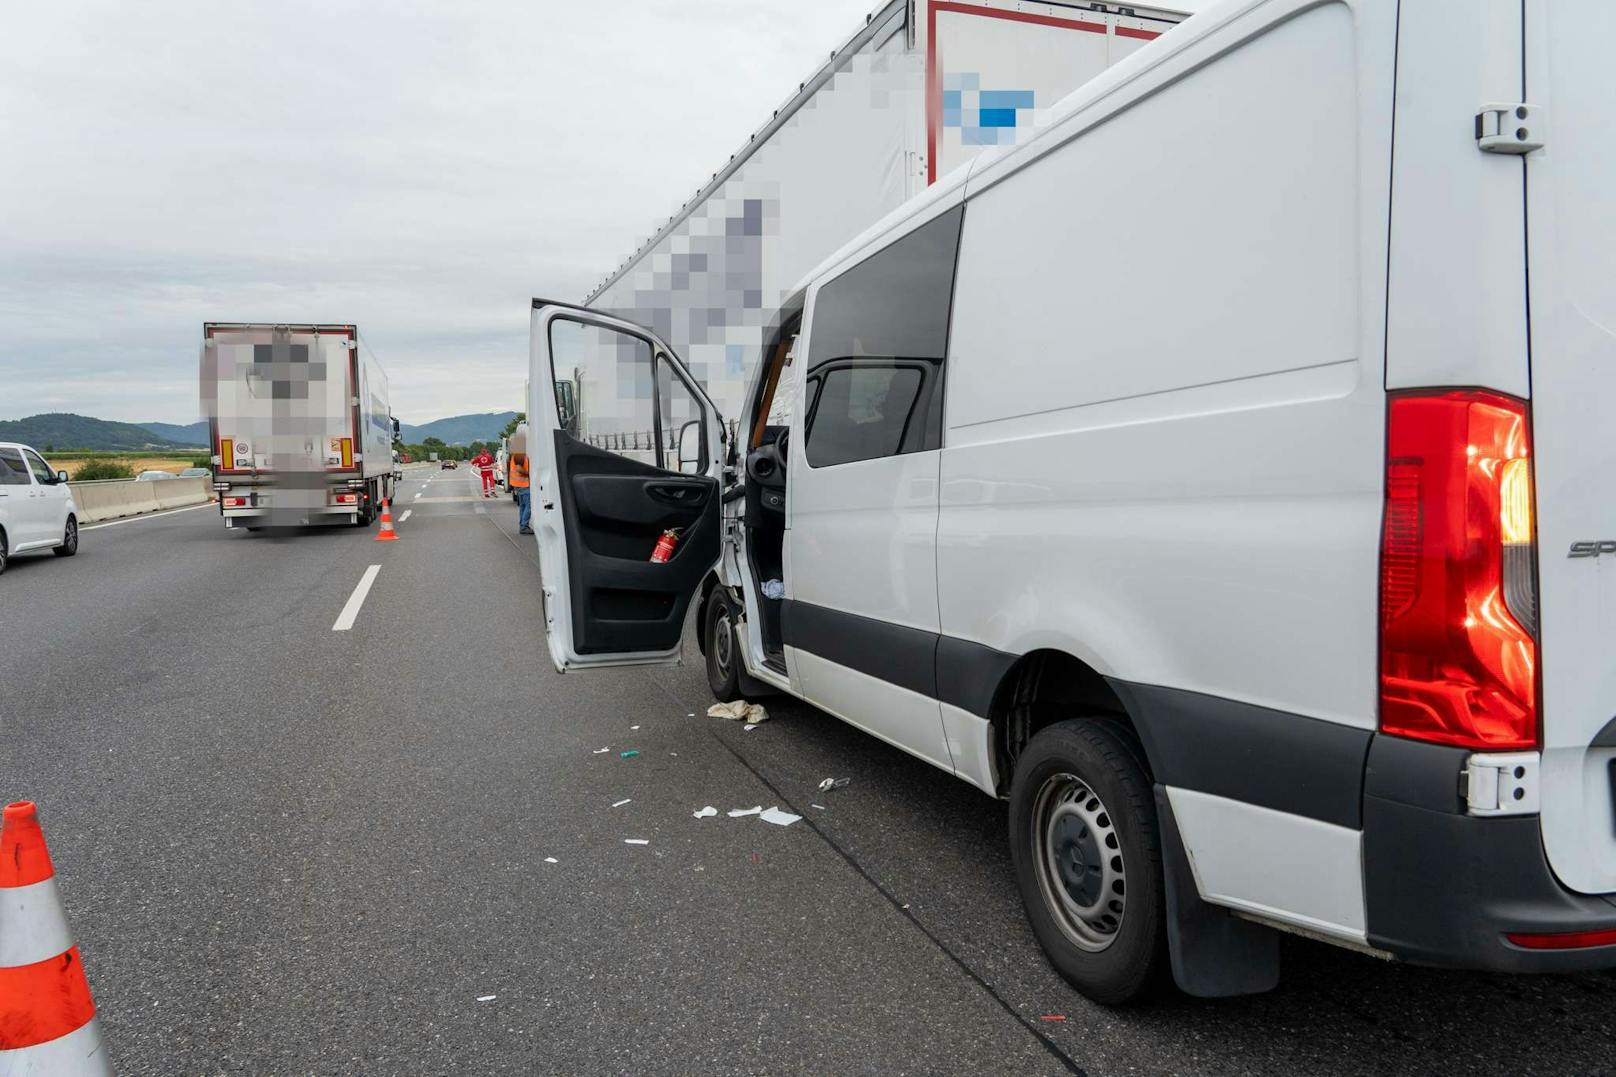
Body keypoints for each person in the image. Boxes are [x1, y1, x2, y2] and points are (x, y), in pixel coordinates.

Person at [511, 450, 531, 534]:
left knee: (523, 506)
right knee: (529, 506)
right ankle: (524, 526)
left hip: (518, 484)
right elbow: (519, 469)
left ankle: (522, 524)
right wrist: (529, 474)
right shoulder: (520, 454)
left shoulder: (516, 454)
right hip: (524, 484)